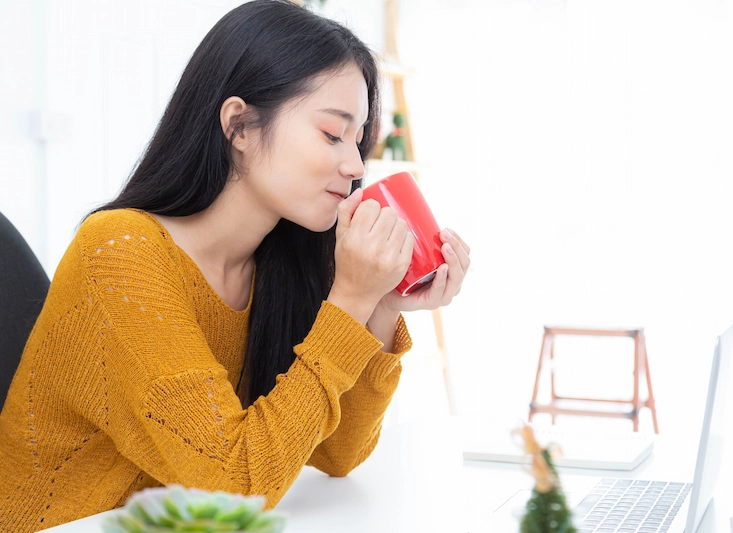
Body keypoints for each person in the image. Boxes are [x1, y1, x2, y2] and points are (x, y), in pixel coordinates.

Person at [0, 1, 470, 531]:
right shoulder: (121, 254)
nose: (356, 165)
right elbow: (234, 486)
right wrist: (349, 303)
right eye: (333, 134)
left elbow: (338, 454)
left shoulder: (279, 260)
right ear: (239, 125)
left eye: (360, 140)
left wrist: (379, 308)